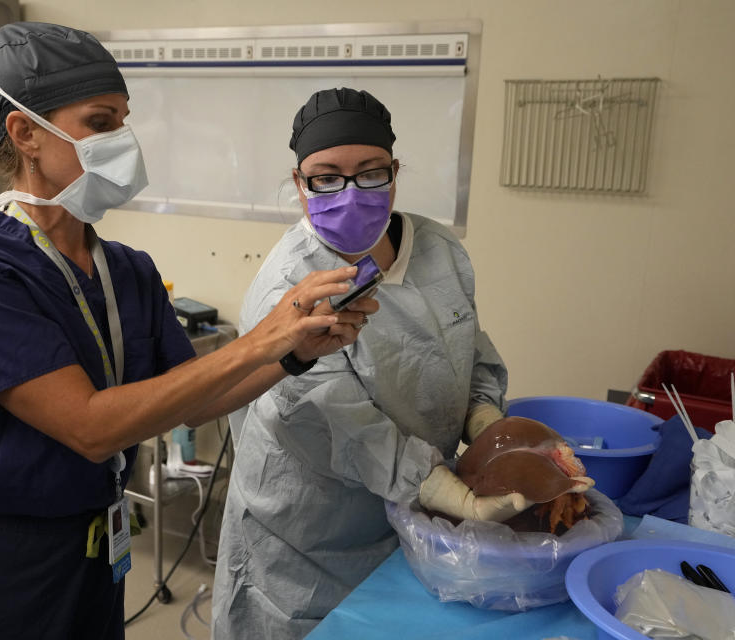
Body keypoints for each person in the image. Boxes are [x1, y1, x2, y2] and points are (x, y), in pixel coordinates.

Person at [0, 26, 377, 640]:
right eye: (100, 122)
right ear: (26, 132)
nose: (122, 140)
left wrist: (292, 355)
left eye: (123, 120)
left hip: (93, 551)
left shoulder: (126, 270)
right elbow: (91, 428)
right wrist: (256, 340)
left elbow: (185, 398)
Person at [211, 87, 558, 639]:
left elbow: (468, 348)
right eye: (326, 177)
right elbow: (327, 418)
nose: (350, 194)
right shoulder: (289, 287)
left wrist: (486, 424)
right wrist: (448, 493)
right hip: (306, 541)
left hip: (410, 526)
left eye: (371, 173)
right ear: (299, 184)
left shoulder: (439, 250)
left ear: (395, 173)